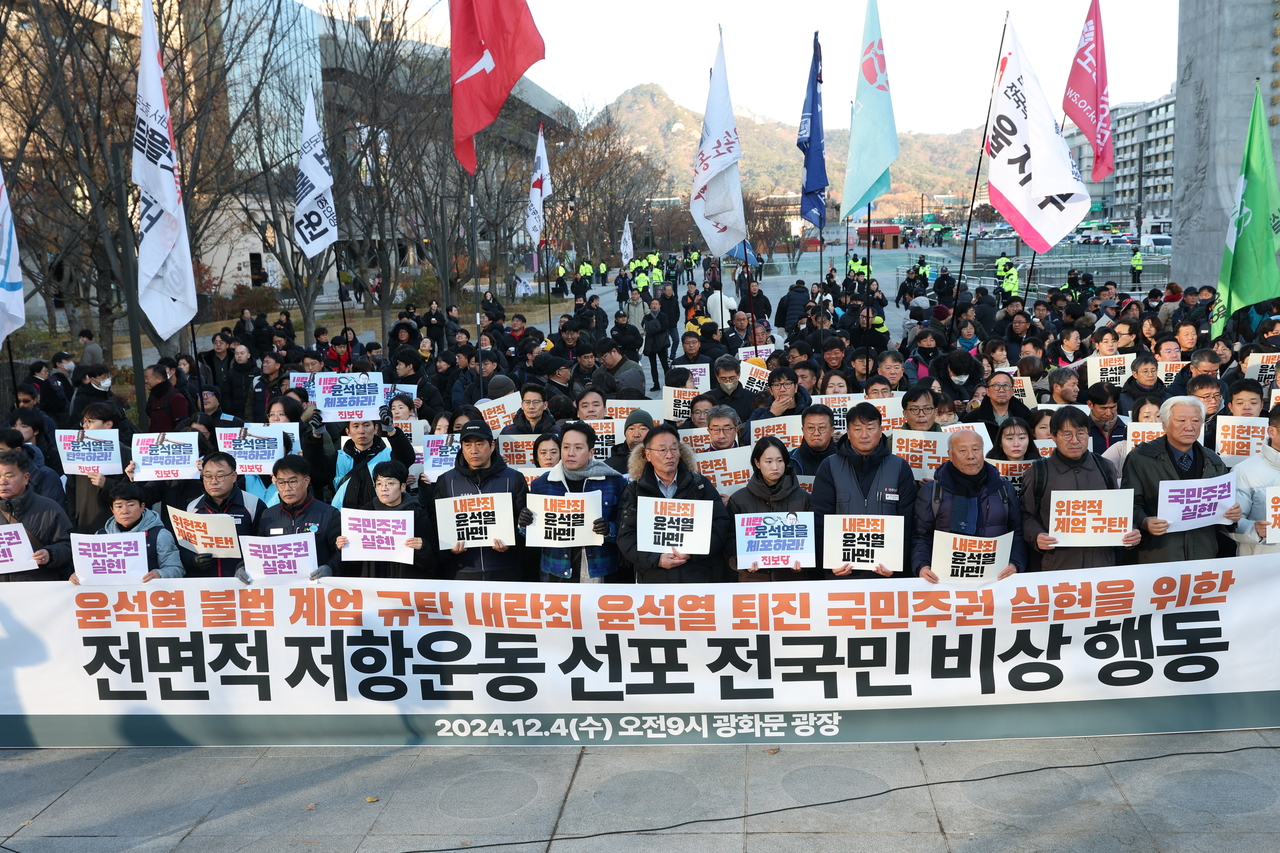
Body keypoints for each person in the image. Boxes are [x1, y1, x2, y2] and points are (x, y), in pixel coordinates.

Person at [1123, 397, 1242, 563]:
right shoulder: (1141, 458)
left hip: (1203, 552)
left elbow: (1222, 507)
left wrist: (1232, 515)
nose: (1189, 427)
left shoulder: (1213, 460)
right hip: (1158, 553)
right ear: (1164, 423)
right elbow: (1128, 504)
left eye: (1195, 420)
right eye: (1181, 420)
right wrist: (1144, 521)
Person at [1021, 407, 1141, 571]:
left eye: (1081, 433)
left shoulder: (1105, 466)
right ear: (1054, 437)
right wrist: (1036, 536)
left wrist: (1131, 531)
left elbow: (1120, 511)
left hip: (1102, 565)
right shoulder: (1038, 471)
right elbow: (1025, 514)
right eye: (1067, 434)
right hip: (1056, 566)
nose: (1075, 440)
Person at [813, 403, 917, 579]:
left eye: (870, 428)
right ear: (847, 431)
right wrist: (829, 562)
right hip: (841, 573)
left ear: (881, 429)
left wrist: (897, 565)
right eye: (857, 428)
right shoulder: (829, 466)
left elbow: (908, 522)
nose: (864, 435)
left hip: (886, 574)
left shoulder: (899, 467)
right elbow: (819, 519)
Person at [617, 424, 732, 583]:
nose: (669, 455)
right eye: (662, 450)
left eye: (674, 449)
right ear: (648, 455)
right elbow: (625, 536)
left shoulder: (699, 484)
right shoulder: (635, 490)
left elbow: (720, 523)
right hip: (653, 577)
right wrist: (655, 559)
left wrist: (693, 552)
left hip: (696, 575)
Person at [520, 421, 627, 583]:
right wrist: (524, 524)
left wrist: (609, 529)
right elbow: (530, 533)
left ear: (591, 452)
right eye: (566, 447)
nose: (571, 453)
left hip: (600, 569)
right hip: (557, 571)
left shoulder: (615, 483)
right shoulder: (542, 484)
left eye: (578, 448)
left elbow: (627, 528)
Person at [913, 430, 1025, 583]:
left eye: (976, 449)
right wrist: (922, 566)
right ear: (950, 455)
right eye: (963, 450)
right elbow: (921, 537)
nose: (971, 456)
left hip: (996, 580)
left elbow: (1017, 533)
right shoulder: (932, 491)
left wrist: (1015, 563)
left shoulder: (1003, 488)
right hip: (945, 580)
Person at [432, 420, 528, 581]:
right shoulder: (446, 481)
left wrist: (512, 544)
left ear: (492, 446)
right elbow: (436, 525)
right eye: (467, 445)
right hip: (463, 570)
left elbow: (525, 524)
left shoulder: (513, 478)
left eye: (479, 444)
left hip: (506, 569)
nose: (474, 450)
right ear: (461, 447)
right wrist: (449, 547)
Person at [242, 455, 341, 582]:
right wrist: (243, 567)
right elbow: (256, 552)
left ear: (307, 481)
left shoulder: (329, 513)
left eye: (293, 481)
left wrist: (330, 568)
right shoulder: (268, 515)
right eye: (281, 483)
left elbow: (340, 553)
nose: (287, 488)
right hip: (279, 588)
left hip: (316, 588)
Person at [727, 436, 812, 581]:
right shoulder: (739, 499)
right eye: (768, 461)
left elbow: (813, 537)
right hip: (753, 580)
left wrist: (805, 560)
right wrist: (741, 562)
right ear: (757, 463)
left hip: (793, 580)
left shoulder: (803, 498)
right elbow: (729, 541)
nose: (775, 467)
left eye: (780, 461)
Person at [334, 460, 432, 579]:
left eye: (390, 483)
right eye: (379, 484)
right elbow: (355, 564)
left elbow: (431, 563)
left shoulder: (418, 515)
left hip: (407, 588)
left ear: (403, 487)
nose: (383, 488)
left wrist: (423, 549)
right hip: (373, 589)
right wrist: (344, 547)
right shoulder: (363, 515)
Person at [71, 482, 184, 584]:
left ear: (142, 507)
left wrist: (159, 574)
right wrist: (78, 576)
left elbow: (177, 569)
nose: (125, 511)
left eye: (131, 505)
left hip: (148, 598)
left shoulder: (159, 535)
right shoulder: (101, 536)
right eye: (119, 506)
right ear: (112, 510)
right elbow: (89, 569)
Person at [181, 451, 265, 578]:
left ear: (234, 476)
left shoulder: (253, 504)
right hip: (205, 585)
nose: (213, 482)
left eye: (220, 476)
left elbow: (263, 545)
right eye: (208, 476)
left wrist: (245, 566)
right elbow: (185, 546)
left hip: (244, 584)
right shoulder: (193, 507)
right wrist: (193, 560)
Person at [0, 448, 72, 581]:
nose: (3, 482)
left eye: (9, 476)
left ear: (26, 477)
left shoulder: (49, 509)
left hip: (38, 590)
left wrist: (50, 554)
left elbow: (69, 546)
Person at [332, 409, 416, 509]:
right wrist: (315, 437)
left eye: (366, 425)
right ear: (348, 431)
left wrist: (391, 430)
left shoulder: (388, 454)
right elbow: (317, 472)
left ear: (376, 428)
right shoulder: (338, 456)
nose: (361, 431)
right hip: (344, 516)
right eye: (355, 426)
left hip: (382, 517)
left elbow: (407, 458)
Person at [1228, 406, 1280, 557]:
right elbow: (1229, 523)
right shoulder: (1244, 471)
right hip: (1261, 563)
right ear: (1272, 431)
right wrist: (1254, 529)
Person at [142, 364, 192, 431]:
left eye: (147, 378)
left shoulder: (176, 397)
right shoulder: (154, 396)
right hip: (157, 440)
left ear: (159, 379)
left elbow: (182, 426)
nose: (146, 381)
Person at [791, 405, 837, 476]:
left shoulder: (845, 460)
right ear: (803, 430)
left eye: (821, 428)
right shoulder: (789, 460)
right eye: (810, 428)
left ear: (832, 431)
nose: (816, 433)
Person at [607, 409, 652, 474]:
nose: (636, 434)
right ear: (625, 433)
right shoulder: (610, 466)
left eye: (643, 429)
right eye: (631, 429)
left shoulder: (660, 462)